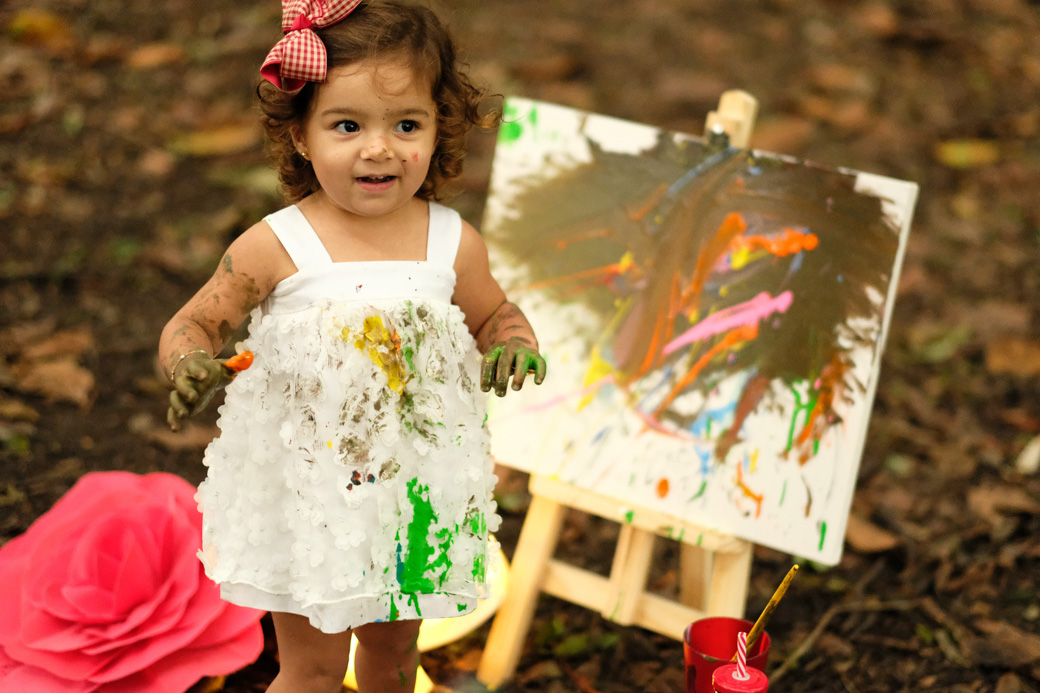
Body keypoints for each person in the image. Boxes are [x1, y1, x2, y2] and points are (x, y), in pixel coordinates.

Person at [157, 1, 546, 690]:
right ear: (301, 136)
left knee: (394, 664)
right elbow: (195, 324)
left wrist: (512, 342)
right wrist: (189, 363)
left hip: (413, 493)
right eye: (347, 125)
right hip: (311, 497)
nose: (379, 147)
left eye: (406, 124)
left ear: (438, 127)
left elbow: (495, 315)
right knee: (310, 668)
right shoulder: (277, 243)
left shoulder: (452, 241)